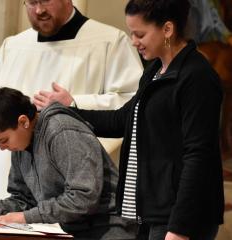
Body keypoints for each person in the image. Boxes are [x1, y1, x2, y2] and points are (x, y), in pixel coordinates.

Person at [0, 0, 143, 209]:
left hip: (73, 201)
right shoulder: (13, 47)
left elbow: (135, 105)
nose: (39, 10)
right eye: (32, 2)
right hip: (12, 198)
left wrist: (75, 104)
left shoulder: (110, 41)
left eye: (46, 0)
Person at [70, 0, 225, 239]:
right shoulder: (154, 71)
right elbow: (123, 119)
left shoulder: (197, 77)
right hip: (150, 215)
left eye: (139, 34)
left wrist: (180, 227)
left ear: (167, 30)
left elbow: (199, 156)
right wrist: (69, 110)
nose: (133, 41)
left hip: (178, 219)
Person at [0, 87, 138, 240]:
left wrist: (24, 218)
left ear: (23, 121)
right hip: (70, 231)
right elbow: (24, 199)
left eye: (3, 140)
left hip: (109, 230)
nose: (2, 148)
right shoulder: (21, 146)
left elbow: (84, 197)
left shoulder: (62, 131)